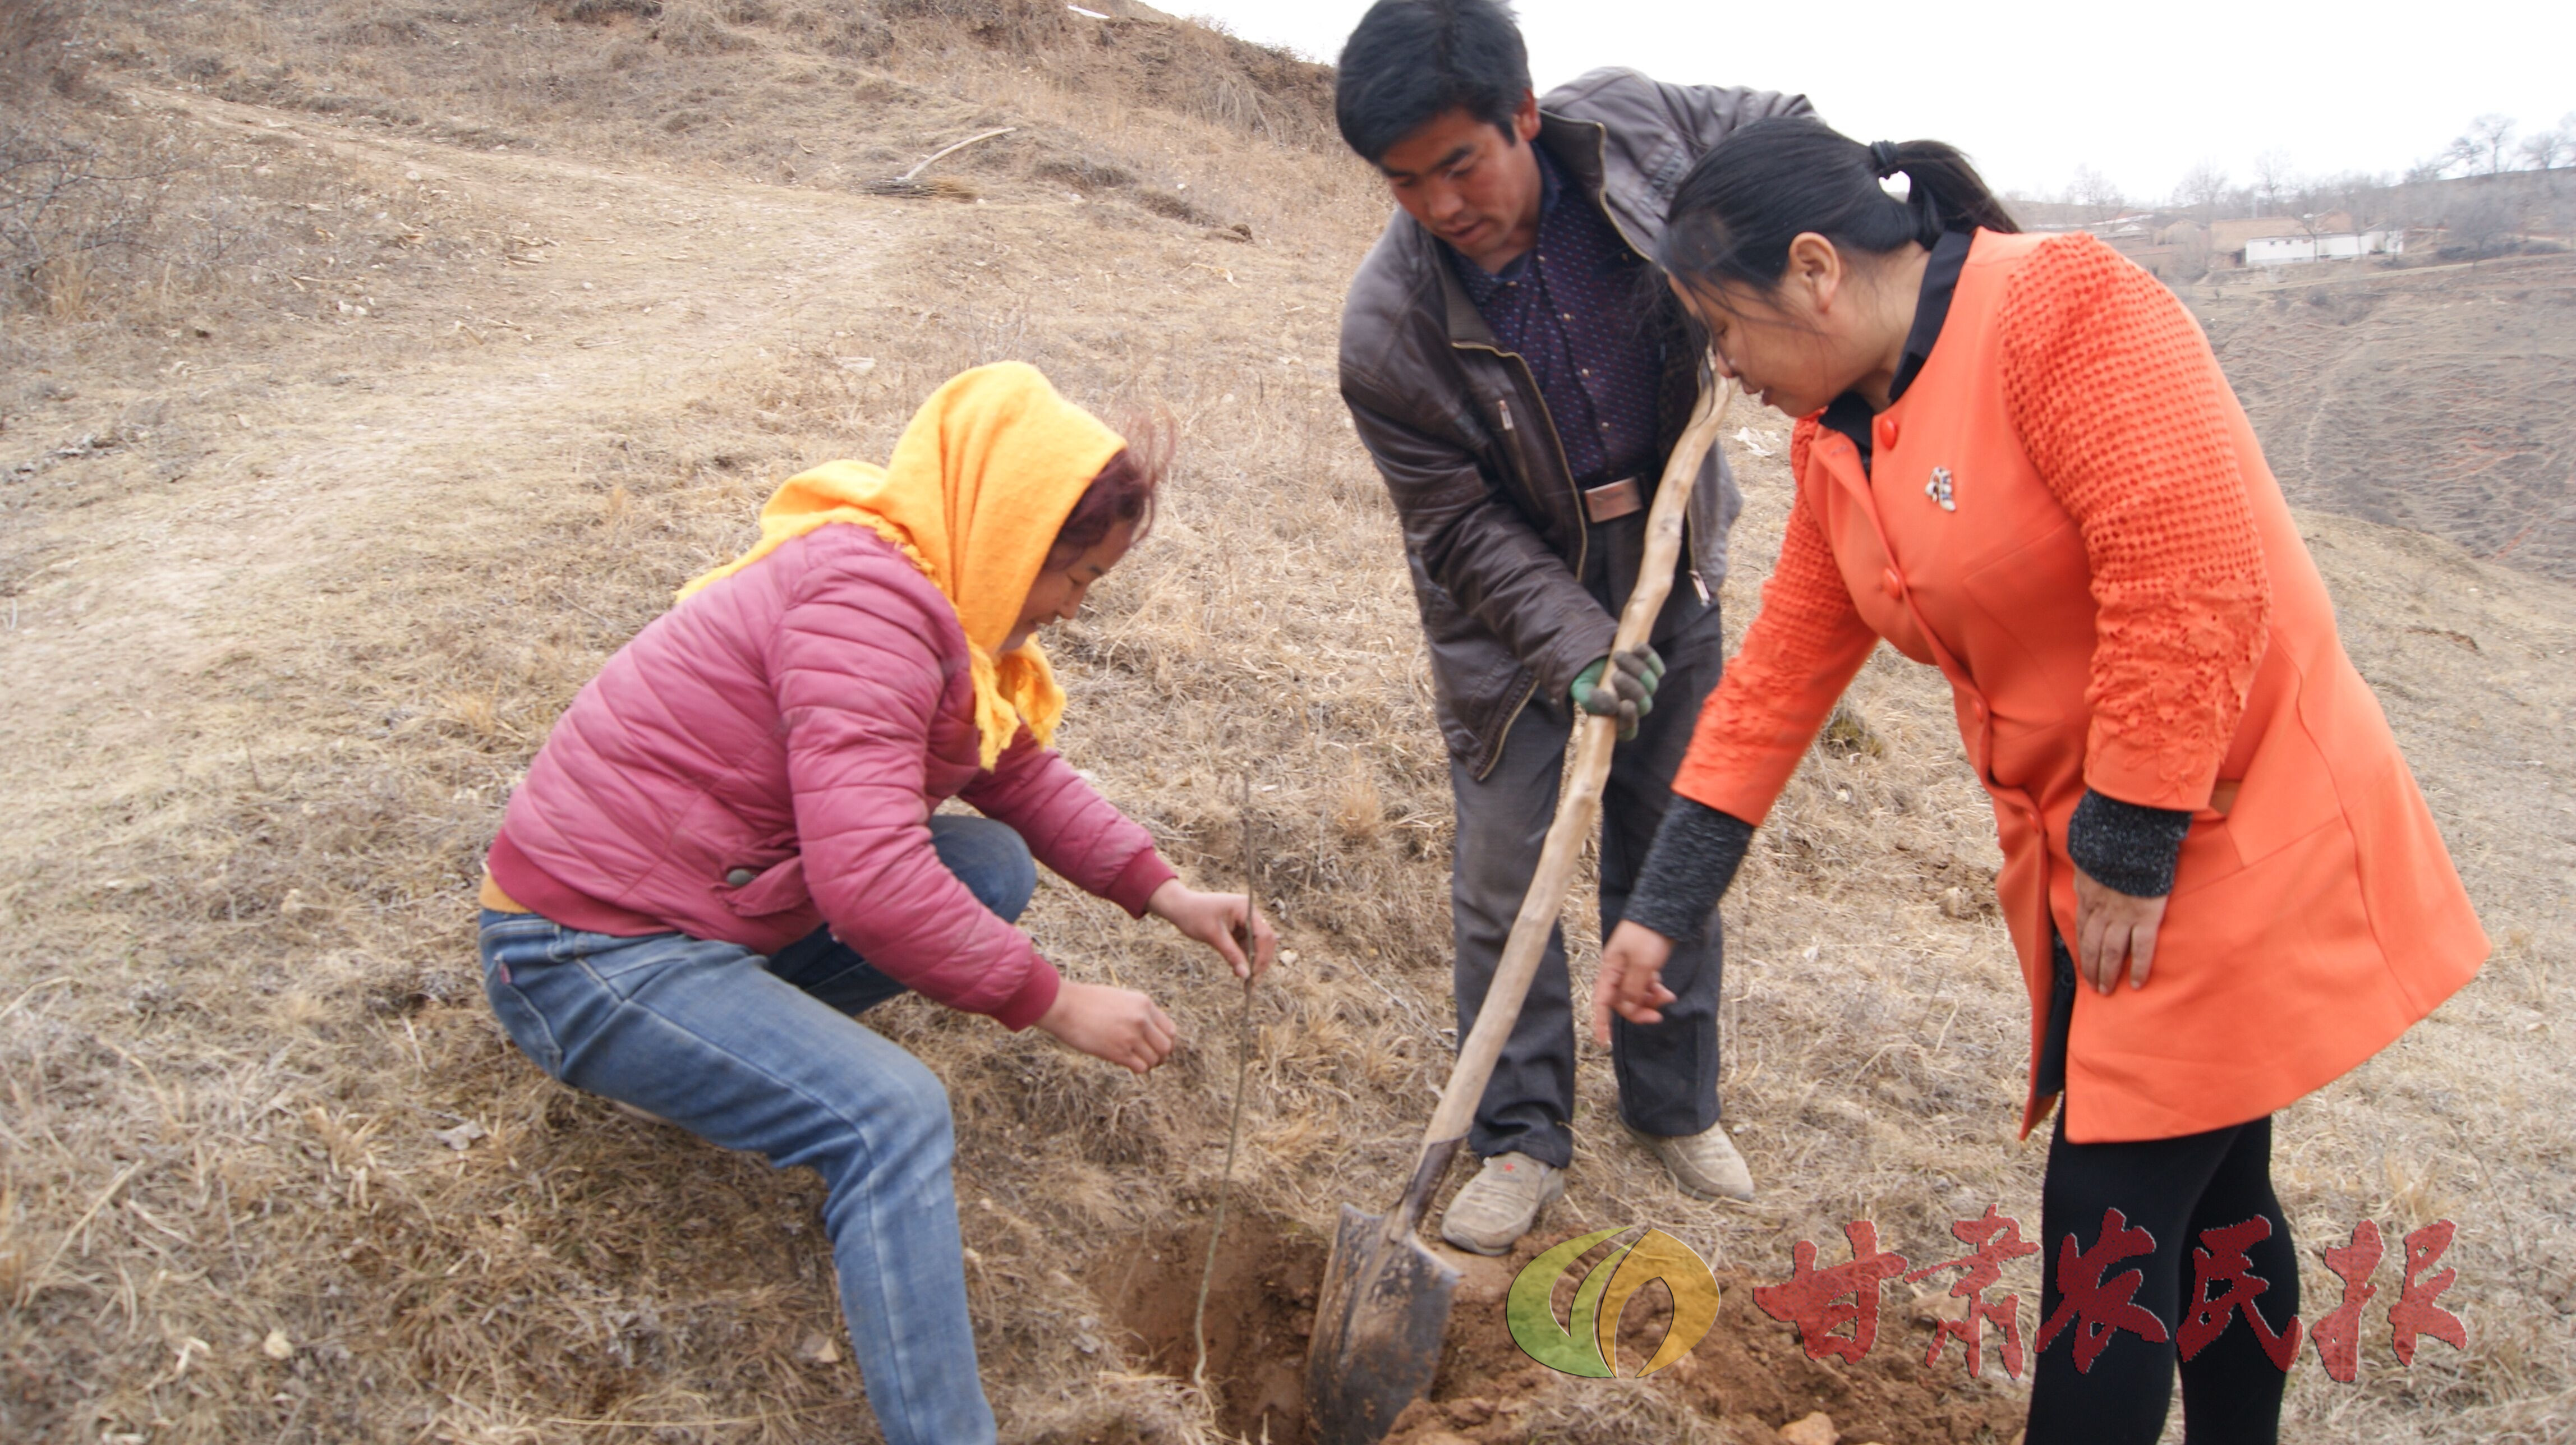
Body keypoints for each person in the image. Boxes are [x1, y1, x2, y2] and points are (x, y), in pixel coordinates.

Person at [1594, 118, 2486, 1443]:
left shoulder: (2062, 306)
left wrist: (2129, 840)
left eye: (1724, 327)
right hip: (2117, 852)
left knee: (2106, 1234)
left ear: (1815, 271)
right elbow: (1777, 679)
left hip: (2222, 826)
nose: (1723, 367)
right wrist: (1666, 899)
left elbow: (2183, 559)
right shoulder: (1845, 436)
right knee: (2219, 1199)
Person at [472, 362, 1276, 1445]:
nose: (1074, 608)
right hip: (581, 956)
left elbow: (1016, 773)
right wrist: (1055, 1001)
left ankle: (750, 1044)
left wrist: (1165, 890)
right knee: (889, 1117)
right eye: (1075, 574)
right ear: (1010, 532)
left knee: (987, 866)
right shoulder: (870, 606)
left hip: (698, 912)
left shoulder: (930, 590)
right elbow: (868, 879)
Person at [1332, 0, 1810, 1254]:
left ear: (1525, 117)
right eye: (1405, 183)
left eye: (1460, 164)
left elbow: (1786, 133)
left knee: (1668, 847)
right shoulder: (1386, 332)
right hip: (1509, 610)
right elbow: (1457, 527)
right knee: (1508, 875)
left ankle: (1672, 1102)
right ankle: (1517, 1133)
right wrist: (1575, 643)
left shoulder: (1635, 135)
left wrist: (1771, 258)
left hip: (1666, 543)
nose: (1441, 205)